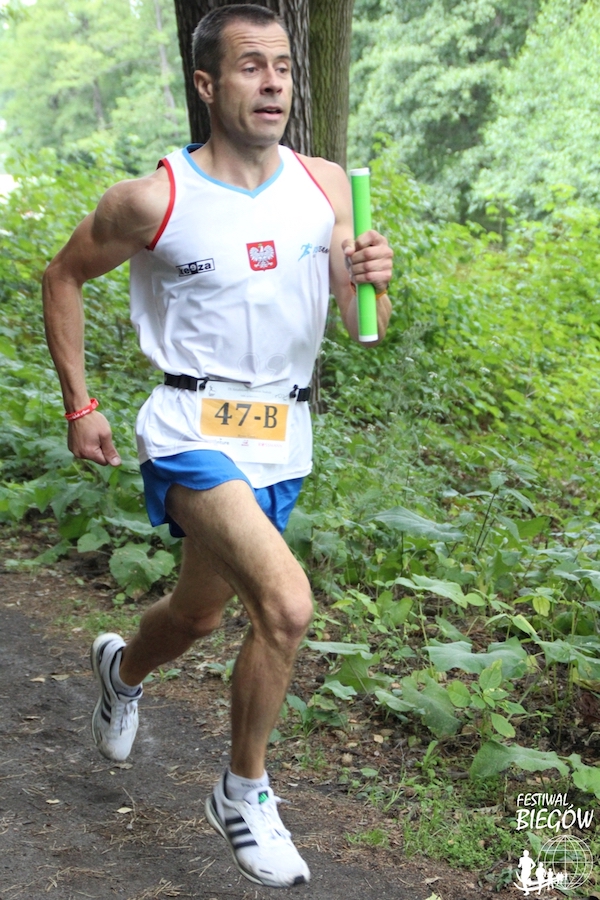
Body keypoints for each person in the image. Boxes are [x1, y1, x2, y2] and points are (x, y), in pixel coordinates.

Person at [42, 3, 393, 889]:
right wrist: (81, 405)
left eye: (282, 66)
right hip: (189, 430)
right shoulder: (154, 199)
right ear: (206, 84)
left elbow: (365, 328)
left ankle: (122, 672)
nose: (273, 83)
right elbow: (63, 276)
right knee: (286, 605)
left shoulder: (326, 184)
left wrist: (373, 283)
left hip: (285, 435)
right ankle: (243, 792)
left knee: (197, 616)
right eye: (249, 66)